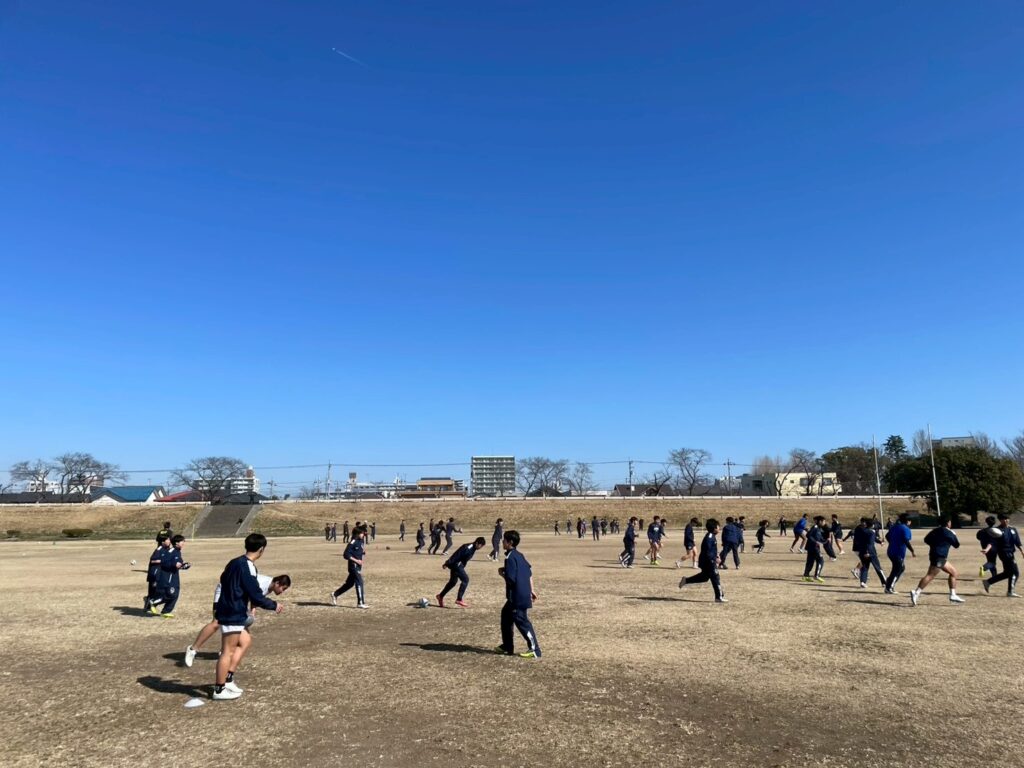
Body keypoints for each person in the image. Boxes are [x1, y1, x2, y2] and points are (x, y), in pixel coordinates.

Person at [211, 533, 284, 701]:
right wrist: (273, 605)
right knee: (227, 651)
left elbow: (223, 579)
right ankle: (219, 689)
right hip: (233, 611)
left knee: (245, 641)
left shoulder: (234, 562)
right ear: (261, 549)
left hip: (229, 608)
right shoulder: (248, 567)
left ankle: (228, 679)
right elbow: (255, 594)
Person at [185, 574, 291, 668]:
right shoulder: (262, 583)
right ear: (277, 583)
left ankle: (225, 651)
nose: (282, 592)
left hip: (237, 598)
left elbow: (255, 597)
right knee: (217, 622)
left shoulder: (269, 586)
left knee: (240, 627)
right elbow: (257, 597)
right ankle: (193, 649)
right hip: (225, 591)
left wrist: (252, 612)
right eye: (283, 588)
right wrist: (273, 605)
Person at [496, 530, 541, 658]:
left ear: (510, 542)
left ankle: (535, 649)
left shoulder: (510, 558)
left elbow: (511, 579)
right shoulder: (519, 555)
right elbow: (529, 572)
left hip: (517, 596)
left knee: (522, 622)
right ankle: (507, 646)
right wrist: (532, 589)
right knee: (506, 615)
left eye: (504, 540)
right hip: (521, 594)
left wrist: (502, 573)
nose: (502, 542)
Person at [910, 518, 965, 605]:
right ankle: (916, 592)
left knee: (954, 573)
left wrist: (935, 544)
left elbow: (926, 539)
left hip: (935, 555)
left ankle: (953, 595)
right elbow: (956, 545)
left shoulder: (935, 530)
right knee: (930, 575)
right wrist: (953, 535)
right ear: (948, 523)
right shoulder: (949, 532)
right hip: (939, 556)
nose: (950, 523)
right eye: (950, 522)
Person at [678, 519, 726, 603]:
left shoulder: (712, 536)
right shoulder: (710, 537)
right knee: (715, 577)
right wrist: (714, 559)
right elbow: (708, 551)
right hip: (708, 561)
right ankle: (719, 597)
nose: (719, 528)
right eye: (718, 527)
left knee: (704, 577)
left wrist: (717, 555)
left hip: (707, 560)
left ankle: (686, 580)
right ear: (714, 528)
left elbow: (712, 549)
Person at [437, 536, 486, 607]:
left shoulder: (473, 548)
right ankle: (459, 599)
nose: (480, 548)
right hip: (457, 565)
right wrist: (447, 563)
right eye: (481, 546)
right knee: (465, 579)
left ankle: (440, 596)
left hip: (457, 565)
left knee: (453, 582)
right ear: (477, 543)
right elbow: (456, 554)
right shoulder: (467, 547)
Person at [982, 513, 1023, 597]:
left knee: (1007, 573)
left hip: (1011, 553)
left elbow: (1018, 542)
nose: (1006, 520)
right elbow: (992, 542)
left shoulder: (1013, 529)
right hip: (1004, 553)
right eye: (1003, 519)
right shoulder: (997, 530)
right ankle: (1010, 592)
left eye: (1007, 518)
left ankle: (988, 582)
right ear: (1000, 520)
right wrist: (987, 549)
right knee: (1015, 572)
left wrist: (1022, 551)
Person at [149, 534, 190, 618]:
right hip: (168, 577)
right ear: (176, 543)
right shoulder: (171, 551)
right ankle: (154, 602)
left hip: (174, 576)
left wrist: (183, 566)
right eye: (182, 541)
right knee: (171, 594)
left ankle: (166, 611)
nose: (183, 543)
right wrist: (174, 564)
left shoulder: (178, 551)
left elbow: (178, 563)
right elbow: (164, 562)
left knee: (175, 594)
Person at [331, 525, 369, 609]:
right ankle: (360, 603)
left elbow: (359, 549)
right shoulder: (353, 542)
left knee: (349, 584)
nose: (363, 534)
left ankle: (335, 594)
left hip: (358, 566)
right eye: (362, 533)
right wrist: (356, 560)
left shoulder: (361, 541)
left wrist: (363, 552)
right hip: (353, 565)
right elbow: (346, 554)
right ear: (358, 533)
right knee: (359, 582)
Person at [883, 513, 915, 594]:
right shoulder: (906, 529)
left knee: (900, 568)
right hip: (898, 552)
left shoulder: (894, 527)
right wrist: (912, 550)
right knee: (898, 569)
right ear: (908, 521)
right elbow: (906, 540)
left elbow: (887, 536)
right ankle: (889, 587)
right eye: (910, 521)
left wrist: (892, 543)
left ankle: (889, 582)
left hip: (890, 551)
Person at [801, 516, 828, 583]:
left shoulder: (819, 528)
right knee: (820, 560)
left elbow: (819, 538)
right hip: (813, 547)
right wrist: (815, 542)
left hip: (811, 547)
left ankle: (805, 576)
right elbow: (808, 535)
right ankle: (816, 576)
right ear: (820, 521)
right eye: (824, 521)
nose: (824, 523)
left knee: (810, 562)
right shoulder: (815, 527)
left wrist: (826, 540)